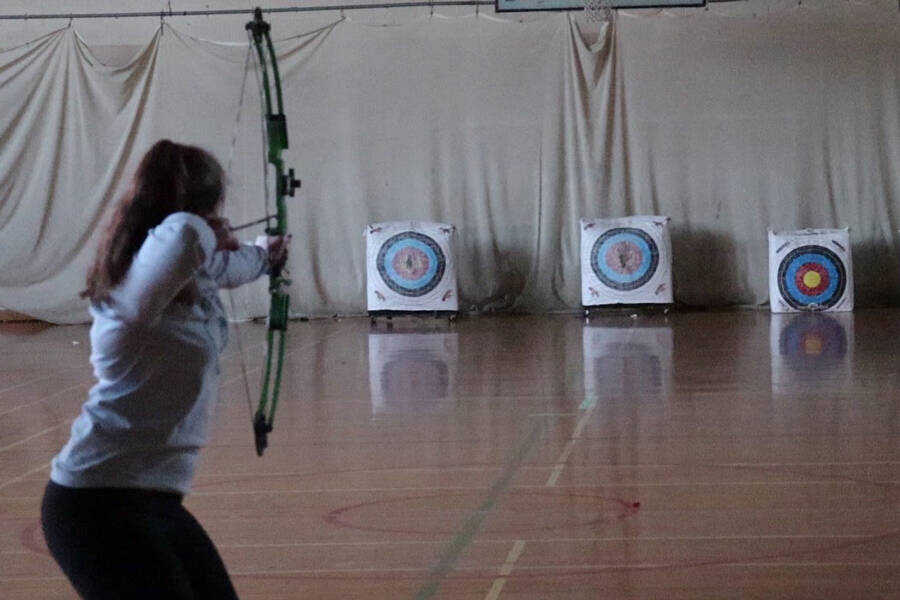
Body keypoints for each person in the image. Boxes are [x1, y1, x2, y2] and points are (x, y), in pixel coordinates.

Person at [40, 139, 288, 599]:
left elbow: (230, 264)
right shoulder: (132, 295)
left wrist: (264, 254)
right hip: (96, 504)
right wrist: (208, 228)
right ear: (202, 208)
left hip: (154, 499)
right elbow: (185, 237)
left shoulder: (191, 275)